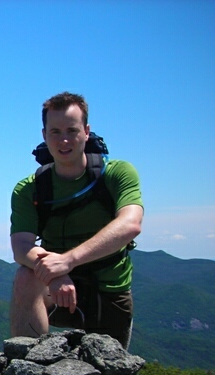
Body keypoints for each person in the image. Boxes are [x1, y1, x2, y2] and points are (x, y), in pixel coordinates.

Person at [9, 92, 143, 349]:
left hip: (108, 287)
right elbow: (21, 247)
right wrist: (53, 274)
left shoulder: (116, 173)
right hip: (54, 287)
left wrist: (66, 262)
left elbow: (130, 224)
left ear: (87, 131)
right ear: (44, 134)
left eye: (72, 129)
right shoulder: (30, 189)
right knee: (26, 278)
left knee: (110, 371)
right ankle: (25, 364)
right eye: (55, 132)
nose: (64, 140)